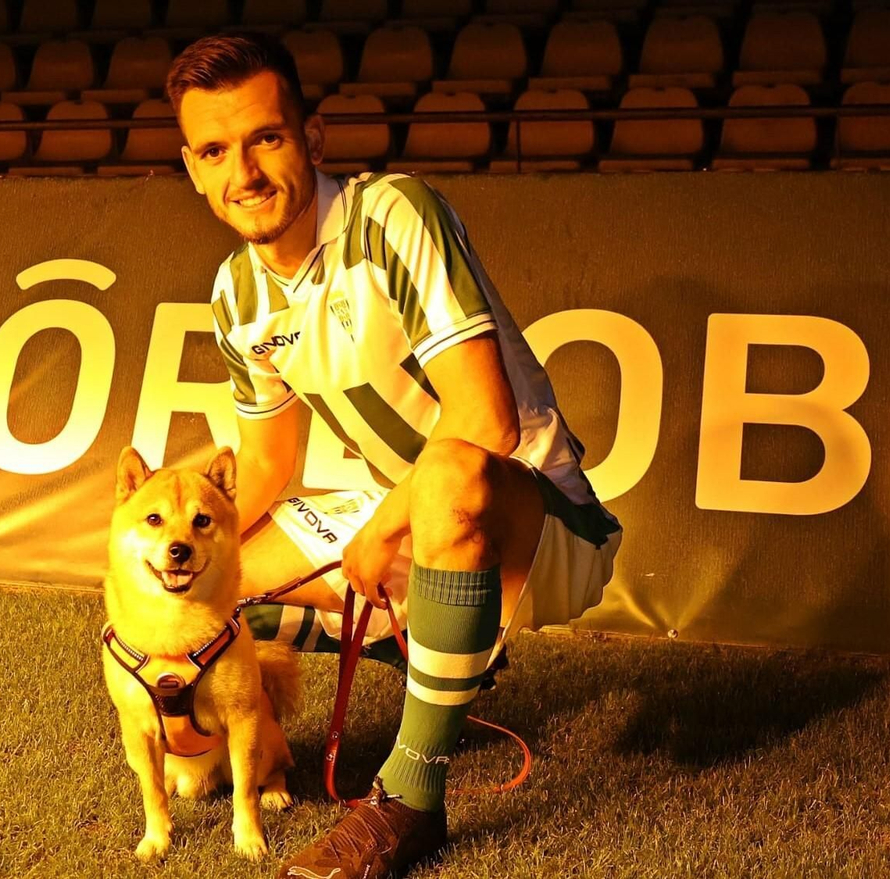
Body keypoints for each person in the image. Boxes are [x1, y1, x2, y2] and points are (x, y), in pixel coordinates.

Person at [167, 33, 624, 879]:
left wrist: (381, 529)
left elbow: (483, 421)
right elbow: (264, 468)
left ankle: (409, 802)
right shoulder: (237, 291)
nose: (246, 173)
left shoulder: (392, 215)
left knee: (447, 474)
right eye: (216, 150)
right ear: (193, 168)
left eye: (266, 138)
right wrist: (169, 569)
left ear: (313, 138)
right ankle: (406, 652)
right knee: (200, 588)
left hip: (537, 520)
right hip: (410, 514)